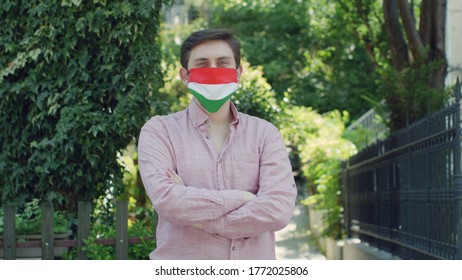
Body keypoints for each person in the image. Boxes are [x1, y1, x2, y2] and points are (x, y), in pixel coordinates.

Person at [138, 29, 297, 260]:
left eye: (222, 63)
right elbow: (168, 201)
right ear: (185, 75)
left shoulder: (265, 134)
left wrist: (201, 221)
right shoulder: (160, 131)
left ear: (238, 73)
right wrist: (242, 198)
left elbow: (278, 211)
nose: (213, 71)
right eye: (202, 64)